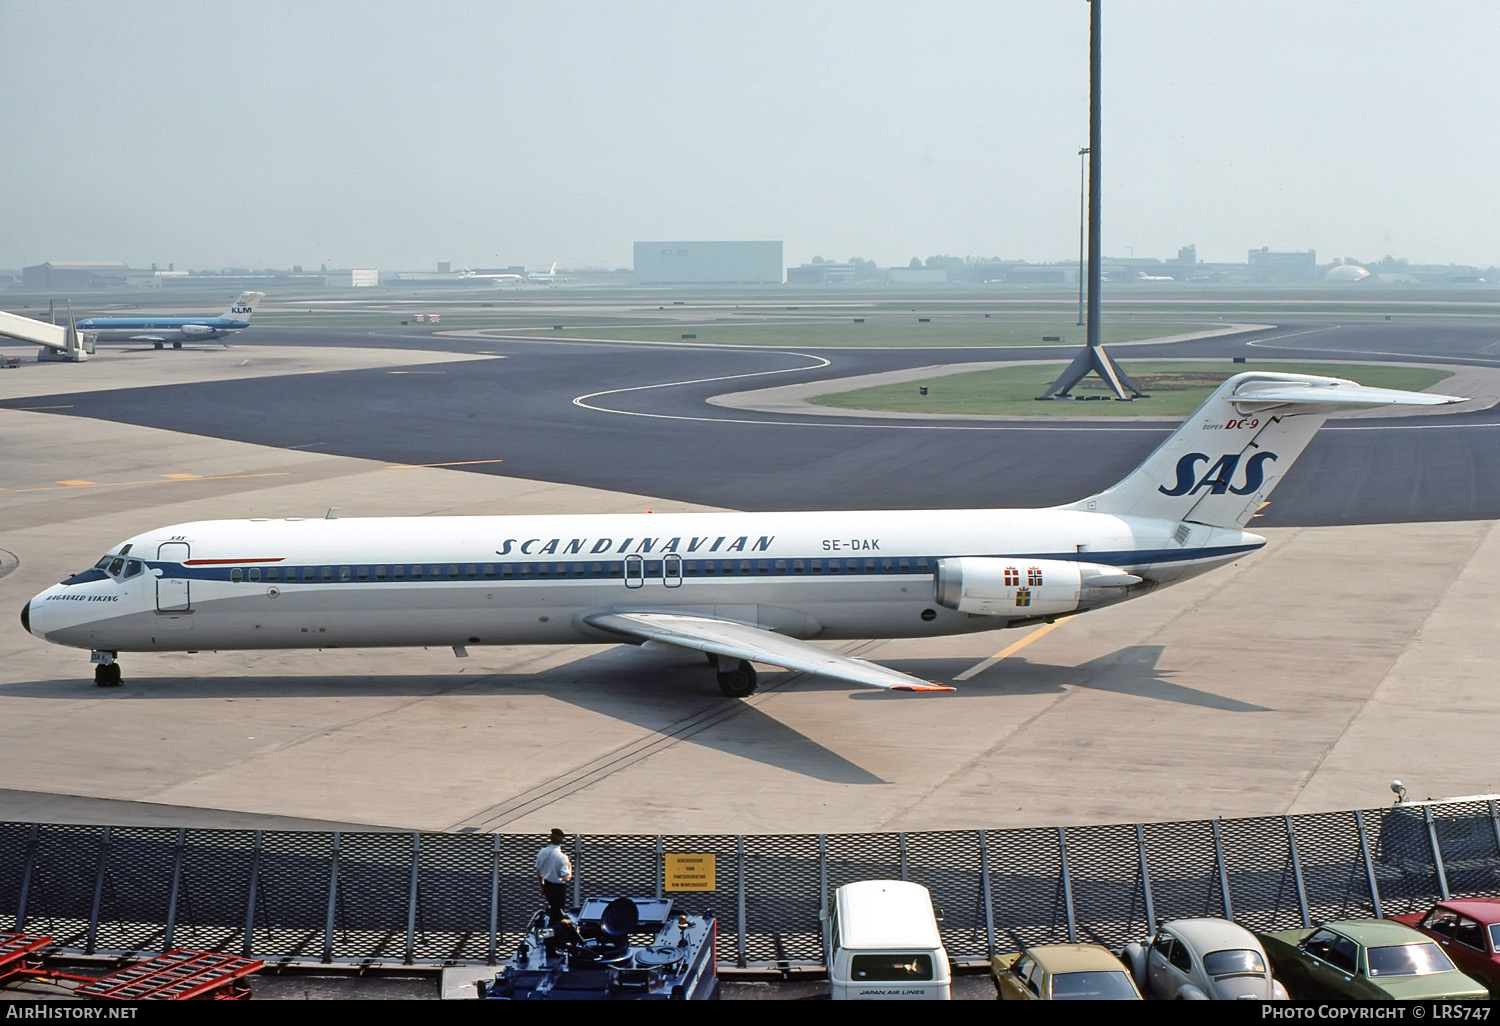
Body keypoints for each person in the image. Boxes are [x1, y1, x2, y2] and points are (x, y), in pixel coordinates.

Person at [535, 827, 572, 920]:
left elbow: (538, 871)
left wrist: (542, 886)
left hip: (547, 885)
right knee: (558, 913)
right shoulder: (562, 857)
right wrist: (570, 868)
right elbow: (566, 878)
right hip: (558, 887)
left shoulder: (542, 852)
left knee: (551, 909)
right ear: (562, 840)